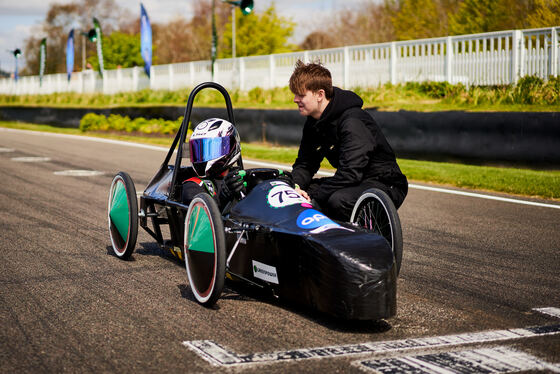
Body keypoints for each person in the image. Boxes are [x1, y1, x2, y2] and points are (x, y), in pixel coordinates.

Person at [289, 59, 408, 221]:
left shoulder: (352, 121)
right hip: (355, 180)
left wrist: (314, 197)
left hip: (385, 183)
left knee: (338, 200)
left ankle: (357, 239)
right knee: (291, 193)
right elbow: (305, 164)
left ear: (320, 95)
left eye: (301, 94)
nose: (295, 99)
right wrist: (296, 187)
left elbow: (350, 173)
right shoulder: (313, 123)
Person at [183, 118, 246, 208]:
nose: (203, 156)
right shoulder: (193, 186)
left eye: (211, 150)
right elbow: (201, 214)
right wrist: (224, 197)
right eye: (199, 150)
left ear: (231, 146)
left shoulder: (241, 178)